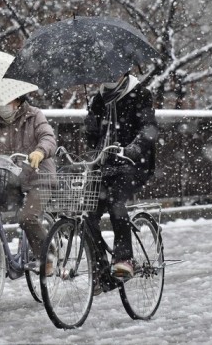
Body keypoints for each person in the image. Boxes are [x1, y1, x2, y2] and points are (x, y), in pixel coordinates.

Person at [85, 72, 159, 281]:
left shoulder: (139, 94)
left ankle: (124, 260)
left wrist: (133, 149)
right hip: (105, 165)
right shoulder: (98, 100)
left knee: (115, 201)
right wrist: (90, 124)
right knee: (86, 212)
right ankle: (100, 269)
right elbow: (93, 141)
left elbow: (149, 128)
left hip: (134, 165)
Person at [0, 95, 57, 269]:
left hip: (40, 176)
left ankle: (48, 255)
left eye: (5, 101)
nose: (1, 105)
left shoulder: (34, 115)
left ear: (17, 100)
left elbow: (48, 138)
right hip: (13, 178)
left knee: (27, 217)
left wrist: (40, 151)